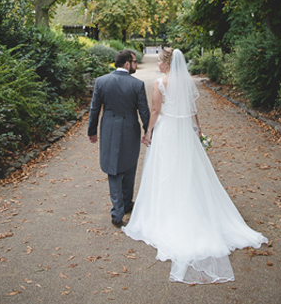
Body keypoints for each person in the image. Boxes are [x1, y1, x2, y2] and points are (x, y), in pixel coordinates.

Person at [123, 48, 268, 283]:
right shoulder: (186, 83)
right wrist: (198, 129)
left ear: (168, 63)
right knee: (188, 170)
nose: (158, 64)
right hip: (184, 131)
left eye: (159, 61)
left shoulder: (160, 83)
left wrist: (148, 131)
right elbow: (192, 110)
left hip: (168, 131)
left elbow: (157, 111)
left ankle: (168, 211)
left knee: (167, 170)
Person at [88, 49, 150, 226]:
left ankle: (119, 210)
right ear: (127, 63)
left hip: (109, 129)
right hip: (130, 128)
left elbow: (94, 108)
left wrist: (92, 131)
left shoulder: (101, 81)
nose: (136, 65)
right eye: (135, 62)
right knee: (130, 166)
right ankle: (125, 206)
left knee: (113, 168)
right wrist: (148, 132)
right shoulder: (137, 84)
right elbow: (144, 111)